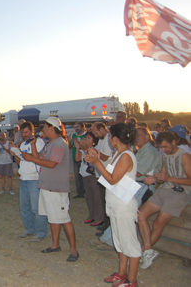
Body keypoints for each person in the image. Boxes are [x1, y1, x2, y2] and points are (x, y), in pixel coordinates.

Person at [85, 123, 141, 287]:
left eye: (110, 136)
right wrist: (97, 157)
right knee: (119, 241)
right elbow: (110, 170)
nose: (109, 139)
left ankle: (131, 280)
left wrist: (96, 162)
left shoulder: (126, 156)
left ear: (116, 138)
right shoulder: (119, 154)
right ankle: (122, 273)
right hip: (116, 203)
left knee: (130, 243)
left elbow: (112, 179)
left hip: (124, 205)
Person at [21, 117, 78, 262]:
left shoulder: (59, 144)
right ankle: (55, 245)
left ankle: (73, 250)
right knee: (53, 219)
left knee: (64, 219)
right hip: (48, 187)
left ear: (51, 128)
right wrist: (33, 146)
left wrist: (31, 158)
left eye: (45, 127)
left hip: (57, 189)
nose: (43, 130)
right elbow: (40, 158)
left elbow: (52, 164)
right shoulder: (50, 143)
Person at [137, 131, 191, 270]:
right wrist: (154, 179)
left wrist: (167, 179)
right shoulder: (165, 156)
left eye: (165, 147)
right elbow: (163, 175)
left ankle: (141, 252)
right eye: (161, 147)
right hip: (165, 189)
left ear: (174, 142)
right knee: (140, 214)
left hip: (180, 193)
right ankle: (148, 251)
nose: (163, 150)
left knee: (158, 223)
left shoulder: (184, 156)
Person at [10, 121, 48, 242]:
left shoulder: (39, 142)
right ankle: (29, 229)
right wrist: (15, 152)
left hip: (34, 179)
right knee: (24, 207)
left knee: (37, 208)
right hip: (24, 178)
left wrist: (22, 153)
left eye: (26, 132)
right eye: (22, 133)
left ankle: (41, 232)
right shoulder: (23, 144)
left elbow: (38, 158)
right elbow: (20, 161)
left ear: (32, 131)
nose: (25, 135)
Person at [75, 134, 104, 226]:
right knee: (89, 197)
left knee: (97, 197)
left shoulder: (94, 149)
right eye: (86, 138)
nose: (86, 140)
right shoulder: (82, 151)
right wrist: (77, 148)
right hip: (84, 174)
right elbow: (77, 159)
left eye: (89, 138)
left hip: (92, 175)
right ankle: (91, 215)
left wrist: (88, 147)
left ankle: (99, 217)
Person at [133, 127, 162, 207]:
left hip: (144, 188)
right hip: (137, 186)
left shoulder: (150, 152)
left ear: (147, 137)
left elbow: (138, 173)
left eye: (138, 135)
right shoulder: (141, 150)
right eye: (135, 135)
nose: (136, 138)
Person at [69, 122, 86, 199]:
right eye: (75, 127)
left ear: (83, 127)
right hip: (75, 158)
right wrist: (69, 141)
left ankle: (86, 191)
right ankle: (80, 192)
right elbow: (70, 147)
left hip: (84, 158)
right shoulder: (74, 136)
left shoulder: (86, 135)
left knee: (85, 175)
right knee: (77, 177)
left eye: (78, 127)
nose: (76, 128)